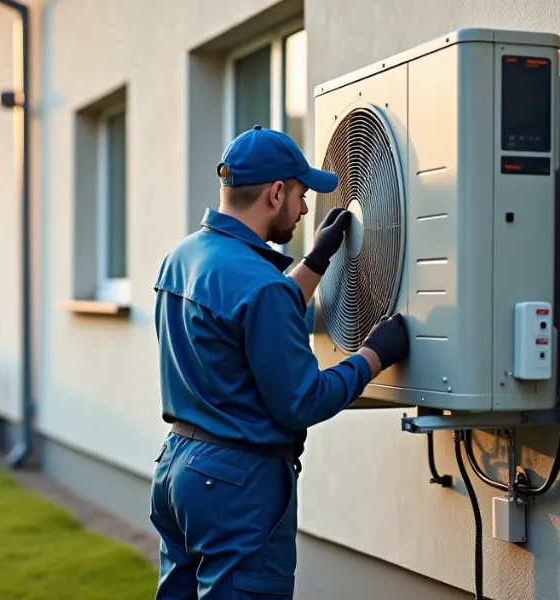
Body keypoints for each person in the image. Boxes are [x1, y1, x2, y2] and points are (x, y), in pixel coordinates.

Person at [149, 124, 411, 599]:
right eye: (302, 194)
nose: (307, 208)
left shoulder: (184, 256)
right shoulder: (260, 284)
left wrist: (316, 260)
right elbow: (302, 401)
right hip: (238, 486)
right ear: (275, 193)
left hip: (178, 471)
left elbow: (245, 322)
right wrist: (374, 355)